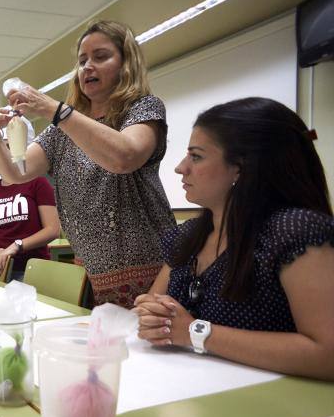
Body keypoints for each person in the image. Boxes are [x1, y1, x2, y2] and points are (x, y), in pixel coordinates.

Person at [134, 97, 334, 381]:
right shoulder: (187, 235)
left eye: (196, 156)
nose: (180, 167)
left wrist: (195, 332)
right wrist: (151, 319)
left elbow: (327, 353)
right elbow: (153, 305)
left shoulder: (295, 231)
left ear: (241, 168)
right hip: (187, 387)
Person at [0, 20, 175, 308]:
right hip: (97, 274)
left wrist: (53, 109)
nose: (87, 67)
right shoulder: (62, 130)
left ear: (126, 64)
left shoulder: (143, 108)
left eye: (100, 57)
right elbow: (17, 172)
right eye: (82, 60)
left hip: (154, 271)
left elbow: (124, 157)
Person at [0, 155, 60, 280]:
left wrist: (16, 246)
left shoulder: (37, 183)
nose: (0, 153)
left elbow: (52, 230)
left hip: (31, 271)